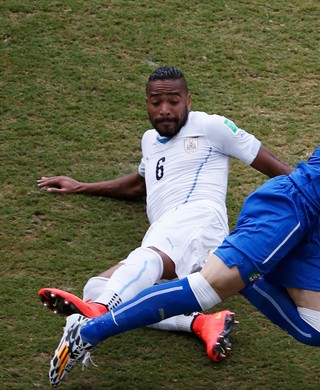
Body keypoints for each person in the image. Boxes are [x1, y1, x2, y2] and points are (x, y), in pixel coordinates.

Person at [49, 13, 320, 387]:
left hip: (317, 225)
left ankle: (247, 276)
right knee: (206, 289)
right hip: (291, 205)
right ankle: (91, 331)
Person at [38, 65, 297, 364]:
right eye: (156, 102)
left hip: (199, 219)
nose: (164, 110)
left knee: (137, 266)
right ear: (146, 102)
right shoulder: (150, 140)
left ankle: (99, 313)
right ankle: (200, 322)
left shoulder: (211, 126)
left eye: (173, 101)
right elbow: (138, 186)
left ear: (188, 100)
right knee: (96, 287)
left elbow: (278, 168)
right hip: (178, 239)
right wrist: (81, 187)